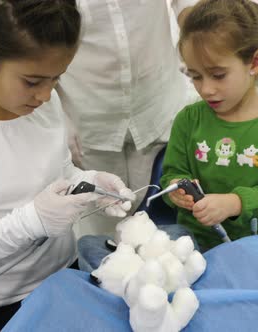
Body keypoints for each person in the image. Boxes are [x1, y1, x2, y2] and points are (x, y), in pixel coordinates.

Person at [0, 1, 134, 331]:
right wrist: (33, 221)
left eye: (56, 79)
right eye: (33, 82)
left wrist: (91, 183)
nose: (46, 95)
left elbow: (60, 174)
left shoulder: (44, 106)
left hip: (65, 275)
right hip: (1, 306)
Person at [160, 0, 258, 251]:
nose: (206, 89)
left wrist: (234, 203)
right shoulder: (188, 119)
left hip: (255, 247)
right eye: (195, 76)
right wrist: (176, 190)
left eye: (218, 75)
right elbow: (172, 174)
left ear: (255, 63)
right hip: (192, 245)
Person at [56, 0, 200, 237]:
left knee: (165, 230)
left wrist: (201, 32)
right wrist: (55, 113)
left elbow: (190, 7)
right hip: (87, 120)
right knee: (102, 232)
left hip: (157, 107)